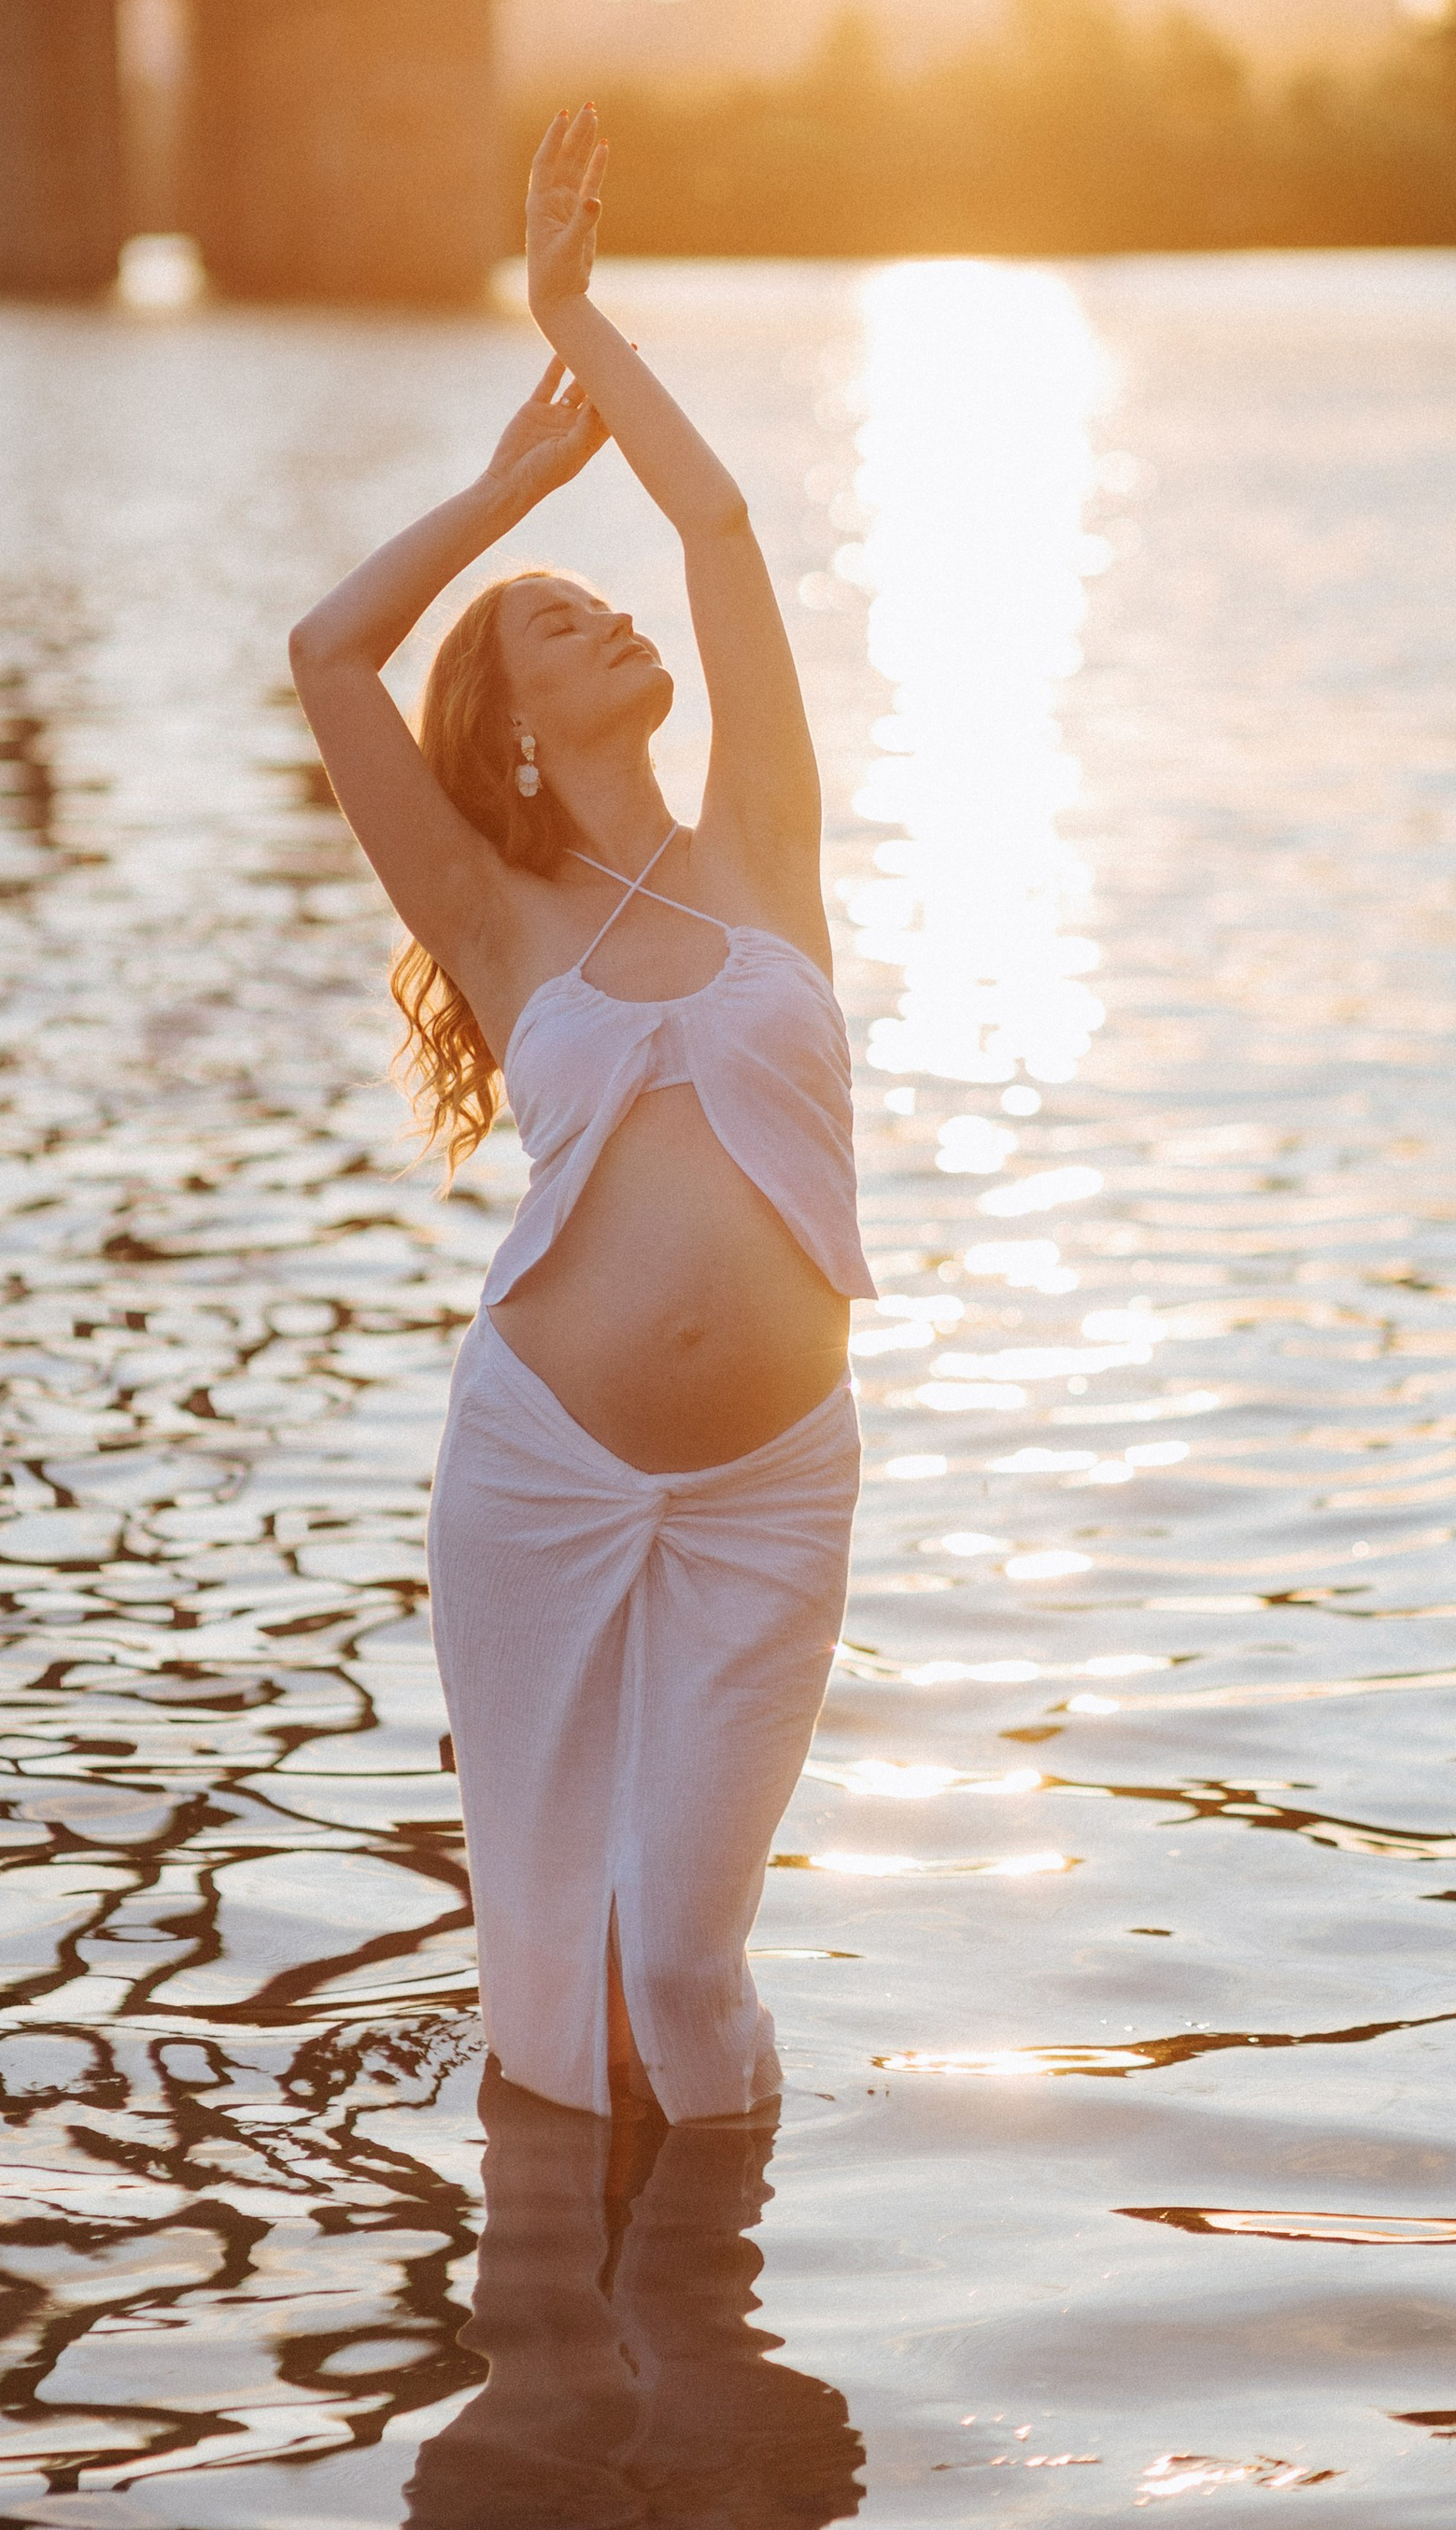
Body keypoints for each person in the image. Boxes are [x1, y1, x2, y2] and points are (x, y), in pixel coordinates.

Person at [289, 105, 872, 2123]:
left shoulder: (756, 850)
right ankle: (563, 2363)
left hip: (770, 1477)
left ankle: (707, 2352)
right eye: (558, 623)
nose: (611, 614)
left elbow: (717, 532)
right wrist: (498, 491)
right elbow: (327, 650)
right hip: (535, 1471)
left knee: (685, 1959)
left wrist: (573, 322)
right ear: (513, 740)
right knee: (550, 1965)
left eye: (591, 602)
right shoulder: (493, 913)